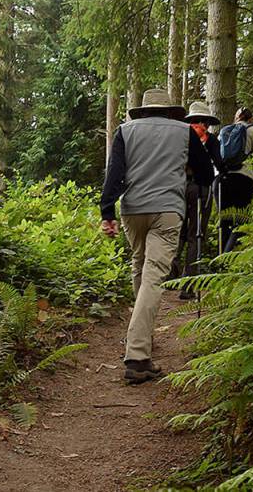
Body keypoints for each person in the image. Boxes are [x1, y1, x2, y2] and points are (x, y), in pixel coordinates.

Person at [100, 89, 214, 384]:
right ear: (169, 111)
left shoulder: (125, 131)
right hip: (167, 210)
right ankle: (138, 356)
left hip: (132, 210)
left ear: (143, 110)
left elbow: (114, 173)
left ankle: (142, 337)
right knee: (153, 276)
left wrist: (107, 211)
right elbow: (205, 174)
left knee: (140, 266)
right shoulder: (184, 131)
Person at [172, 101, 222, 300]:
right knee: (196, 234)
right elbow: (219, 164)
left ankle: (170, 273)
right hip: (201, 189)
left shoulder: (180, 136)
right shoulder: (211, 140)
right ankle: (188, 285)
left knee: (180, 231)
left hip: (180, 187)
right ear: (206, 122)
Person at [217, 107, 253, 252]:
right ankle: (228, 257)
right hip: (244, 178)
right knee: (241, 221)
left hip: (222, 179)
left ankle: (220, 257)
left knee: (224, 221)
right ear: (251, 119)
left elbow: (217, 157)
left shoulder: (224, 131)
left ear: (236, 118)